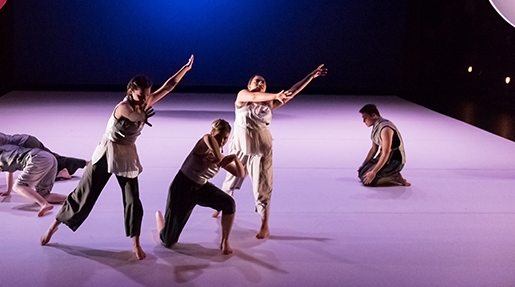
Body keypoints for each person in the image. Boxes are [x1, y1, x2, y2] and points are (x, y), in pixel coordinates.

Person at [40, 55, 194, 260]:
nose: (144, 98)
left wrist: (184, 69)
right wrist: (142, 115)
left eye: (146, 94)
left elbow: (168, 86)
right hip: (107, 152)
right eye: (140, 95)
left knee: (132, 199)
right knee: (84, 195)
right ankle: (53, 226)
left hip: (126, 154)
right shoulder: (124, 107)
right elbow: (133, 117)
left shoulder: (144, 100)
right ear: (130, 91)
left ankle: (135, 243)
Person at [217, 64, 327, 239]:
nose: (260, 83)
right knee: (230, 180)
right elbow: (253, 96)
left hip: (261, 149)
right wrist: (275, 94)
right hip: (240, 148)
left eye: (264, 82)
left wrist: (311, 76)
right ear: (250, 84)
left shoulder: (269, 105)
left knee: (262, 187)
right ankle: (220, 204)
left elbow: (293, 91)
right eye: (257, 81)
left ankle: (264, 225)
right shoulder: (242, 96)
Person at [156, 119, 245, 255]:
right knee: (168, 241)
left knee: (229, 203)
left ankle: (225, 241)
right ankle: (160, 222)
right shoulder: (203, 145)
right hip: (182, 187)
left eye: (225, 138)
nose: (222, 141)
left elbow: (240, 173)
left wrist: (235, 158)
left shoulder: (221, 157)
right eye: (219, 137)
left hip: (202, 188)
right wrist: (218, 158)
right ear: (213, 132)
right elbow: (207, 137)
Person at [0, 129, 88, 183]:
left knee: (44, 163)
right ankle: (81, 164)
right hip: (27, 140)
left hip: (26, 143)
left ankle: (62, 172)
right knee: (52, 157)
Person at [358, 104, 410, 187]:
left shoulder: (385, 128)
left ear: (373, 116)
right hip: (385, 157)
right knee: (361, 173)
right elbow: (373, 149)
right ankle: (384, 174)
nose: (363, 121)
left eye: (365, 118)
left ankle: (395, 176)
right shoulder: (376, 126)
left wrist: (373, 172)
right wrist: (364, 164)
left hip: (394, 160)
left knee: (369, 181)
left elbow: (386, 153)